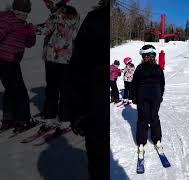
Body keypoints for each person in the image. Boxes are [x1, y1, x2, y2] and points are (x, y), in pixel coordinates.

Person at [69, 0, 108, 179]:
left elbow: (78, 66)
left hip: (95, 102)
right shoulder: (96, 19)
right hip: (96, 101)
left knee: (99, 160)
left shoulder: (95, 19)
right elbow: (79, 66)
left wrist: (77, 110)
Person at [36, 0, 80, 128]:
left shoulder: (56, 14)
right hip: (68, 57)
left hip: (53, 57)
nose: (48, 6)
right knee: (65, 88)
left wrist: (29, 28)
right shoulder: (75, 14)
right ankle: (65, 118)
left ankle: (50, 116)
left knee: (52, 87)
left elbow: (45, 29)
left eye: (49, 4)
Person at [0, 0, 38, 133]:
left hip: (9, 61)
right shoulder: (8, 20)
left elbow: (29, 43)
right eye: (24, 13)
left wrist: (31, 33)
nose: (25, 16)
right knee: (19, 91)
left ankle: (8, 118)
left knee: (10, 89)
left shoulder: (19, 23)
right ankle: (22, 120)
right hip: (8, 61)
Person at [132, 44, 165, 159]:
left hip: (149, 97)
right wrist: (160, 95)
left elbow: (162, 83)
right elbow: (135, 84)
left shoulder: (147, 68)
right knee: (148, 117)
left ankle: (149, 140)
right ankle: (149, 140)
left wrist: (160, 95)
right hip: (149, 97)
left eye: (144, 56)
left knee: (148, 117)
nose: (144, 58)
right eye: (144, 56)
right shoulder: (150, 68)